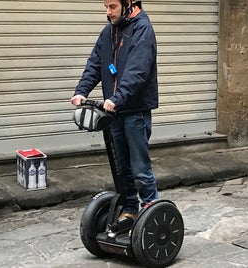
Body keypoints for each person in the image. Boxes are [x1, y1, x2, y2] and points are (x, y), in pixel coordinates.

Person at [71, 0, 158, 222]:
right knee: (121, 168)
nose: (107, 12)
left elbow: (137, 71)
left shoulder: (143, 29)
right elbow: (95, 64)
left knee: (139, 168)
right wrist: (81, 91)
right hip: (114, 112)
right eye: (105, 7)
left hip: (135, 111)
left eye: (112, 7)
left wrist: (117, 98)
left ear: (127, 4)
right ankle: (130, 209)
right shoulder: (108, 32)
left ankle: (151, 211)